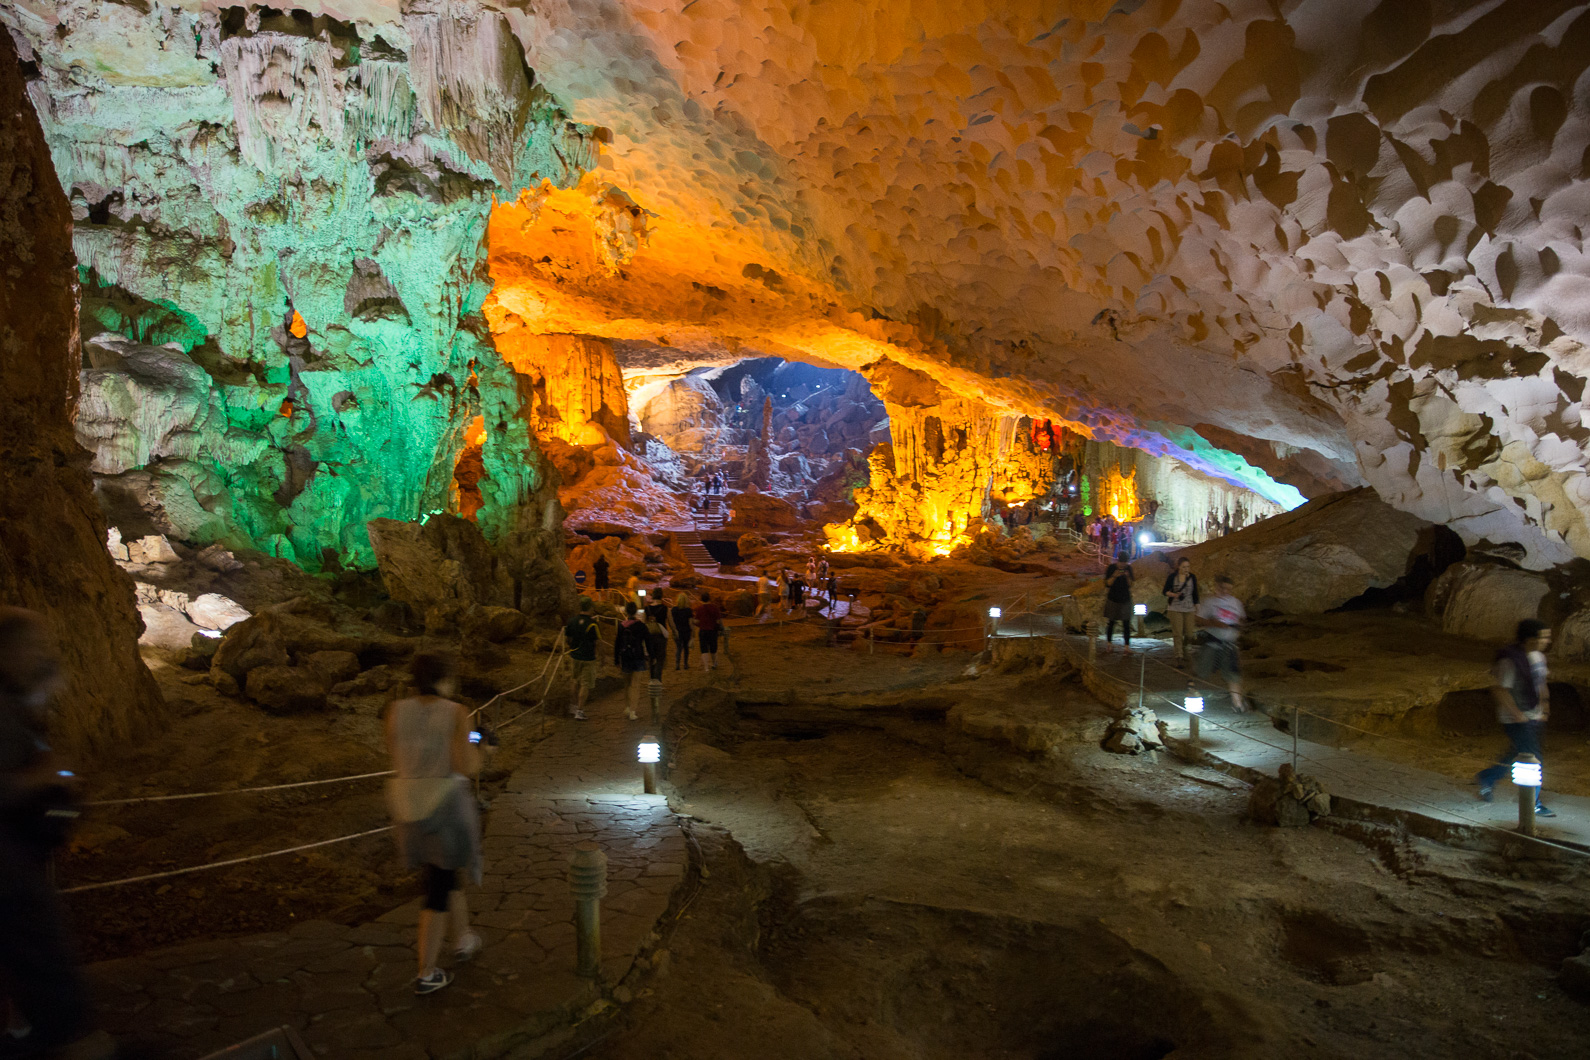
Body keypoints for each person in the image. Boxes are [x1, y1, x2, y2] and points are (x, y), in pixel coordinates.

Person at [0, 609, 115, 1059]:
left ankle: (36, 1030)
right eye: (35, 647)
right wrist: (37, 779)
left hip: (17, 844)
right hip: (5, 853)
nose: (44, 656)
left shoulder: (14, 695)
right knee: (34, 935)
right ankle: (65, 1038)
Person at [385, 651, 483, 996]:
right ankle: (427, 971)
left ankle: (464, 937)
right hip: (444, 809)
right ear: (444, 678)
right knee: (437, 889)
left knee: (443, 873)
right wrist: (480, 744)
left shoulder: (395, 711)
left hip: (408, 807)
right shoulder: (455, 712)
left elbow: (397, 756)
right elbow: (467, 766)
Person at [1476, 619, 1556, 815]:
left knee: (1517, 753)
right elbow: (1500, 690)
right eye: (1543, 637)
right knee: (1533, 758)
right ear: (1530, 639)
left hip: (1533, 715)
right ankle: (1533, 804)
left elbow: (1541, 682)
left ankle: (1487, 777)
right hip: (1515, 719)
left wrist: (1544, 705)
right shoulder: (1509, 661)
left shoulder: (1538, 657)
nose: (1547, 640)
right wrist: (1517, 714)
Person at [1196, 575, 1247, 711]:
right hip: (1213, 642)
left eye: (1228, 589)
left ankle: (1237, 703)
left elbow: (1241, 619)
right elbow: (1198, 620)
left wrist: (1238, 626)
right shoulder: (1209, 602)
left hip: (1230, 643)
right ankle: (1194, 699)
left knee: (1233, 673)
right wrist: (1213, 623)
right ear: (1217, 587)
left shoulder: (1236, 603)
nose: (1225, 591)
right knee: (1202, 671)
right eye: (1223, 588)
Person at [563, 598, 600, 720]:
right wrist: (602, 656)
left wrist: (572, 647)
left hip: (575, 656)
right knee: (585, 684)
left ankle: (573, 706)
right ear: (590, 607)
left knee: (574, 680)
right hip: (588, 657)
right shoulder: (592, 623)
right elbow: (597, 642)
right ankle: (580, 711)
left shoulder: (572, 621)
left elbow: (568, 638)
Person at [614, 603, 649, 721]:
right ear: (635, 612)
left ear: (626, 612)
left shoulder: (621, 625)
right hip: (638, 656)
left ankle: (628, 707)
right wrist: (651, 656)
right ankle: (633, 711)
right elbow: (648, 642)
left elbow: (617, 643)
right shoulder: (641, 626)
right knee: (635, 685)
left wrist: (616, 660)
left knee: (627, 684)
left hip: (625, 657)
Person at [1162, 557, 1200, 666]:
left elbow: (1195, 593)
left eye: (1188, 567)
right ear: (1179, 567)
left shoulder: (1192, 577)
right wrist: (1174, 595)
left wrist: (1198, 607)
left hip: (1189, 608)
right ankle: (1179, 656)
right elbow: (1164, 591)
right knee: (1178, 633)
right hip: (1175, 607)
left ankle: (1184, 649)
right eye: (1184, 567)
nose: (1186, 569)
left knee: (1189, 633)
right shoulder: (1172, 577)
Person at [1101, 550, 1135, 653]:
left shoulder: (1128, 568)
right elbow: (1107, 583)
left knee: (1126, 623)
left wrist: (1127, 576)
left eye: (1125, 563)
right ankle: (1109, 644)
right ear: (1118, 561)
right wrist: (1115, 575)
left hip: (1125, 599)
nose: (1123, 565)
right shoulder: (1111, 568)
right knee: (1111, 622)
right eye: (1121, 563)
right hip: (1113, 598)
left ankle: (1126, 646)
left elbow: (1131, 585)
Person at [695, 589, 723, 671]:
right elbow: (718, 620)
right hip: (712, 631)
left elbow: (697, 621)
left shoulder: (699, 609)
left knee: (704, 649)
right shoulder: (714, 608)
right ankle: (714, 663)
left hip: (703, 631)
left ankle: (706, 667)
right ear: (709, 598)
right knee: (713, 648)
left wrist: (696, 623)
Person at [670, 593, 694, 670]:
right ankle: (685, 664)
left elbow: (672, 621)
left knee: (678, 648)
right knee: (686, 648)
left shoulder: (674, 610)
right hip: (686, 631)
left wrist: (673, 630)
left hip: (677, 631)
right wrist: (693, 632)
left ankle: (677, 664)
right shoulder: (688, 610)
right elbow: (690, 622)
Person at [644, 610, 669, 682]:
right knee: (659, 665)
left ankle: (652, 680)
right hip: (659, 649)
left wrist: (645, 652)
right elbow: (666, 634)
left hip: (650, 649)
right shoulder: (659, 625)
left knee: (651, 665)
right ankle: (658, 681)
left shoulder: (645, 627)